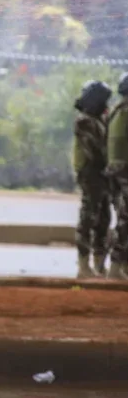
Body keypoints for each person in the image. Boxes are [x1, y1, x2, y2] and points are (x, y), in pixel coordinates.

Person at [72, 80, 112, 278]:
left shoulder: (98, 119)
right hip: (91, 174)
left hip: (102, 175)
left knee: (104, 218)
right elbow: (97, 149)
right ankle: (83, 264)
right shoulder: (85, 121)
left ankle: (99, 263)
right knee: (89, 217)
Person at [105, 73, 128, 280]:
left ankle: (121, 266)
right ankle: (115, 266)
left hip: (115, 173)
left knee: (123, 217)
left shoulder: (116, 111)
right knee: (125, 220)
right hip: (125, 172)